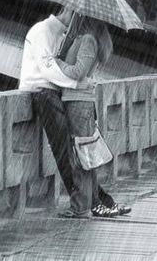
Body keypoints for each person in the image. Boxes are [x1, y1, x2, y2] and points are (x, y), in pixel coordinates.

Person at [19, 8, 129, 218]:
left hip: (58, 93)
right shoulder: (42, 31)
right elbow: (47, 68)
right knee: (70, 152)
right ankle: (95, 203)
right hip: (43, 92)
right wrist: (76, 83)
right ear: (71, 11)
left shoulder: (70, 37)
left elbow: (67, 68)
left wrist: (74, 82)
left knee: (75, 152)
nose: (79, 19)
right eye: (78, 14)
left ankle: (94, 202)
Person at [53, 14, 131, 217]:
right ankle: (90, 203)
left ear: (84, 19)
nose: (72, 18)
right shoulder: (84, 38)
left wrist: (57, 64)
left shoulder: (87, 40)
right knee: (83, 154)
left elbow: (79, 72)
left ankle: (80, 206)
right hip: (77, 101)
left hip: (79, 102)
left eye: (77, 15)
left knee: (81, 155)